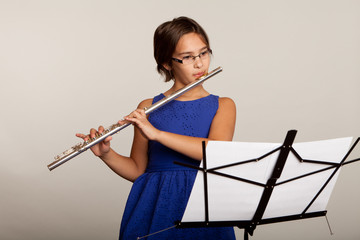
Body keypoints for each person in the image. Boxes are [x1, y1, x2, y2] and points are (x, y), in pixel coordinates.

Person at [77, 16, 236, 240]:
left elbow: (215, 152)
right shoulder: (147, 108)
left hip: (203, 204)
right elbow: (137, 170)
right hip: (154, 204)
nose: (199, 63)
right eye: (187, 57)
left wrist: (158, 134)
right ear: (167, 63)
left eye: (203, 53)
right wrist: (106, 154)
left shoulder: (223, 105)